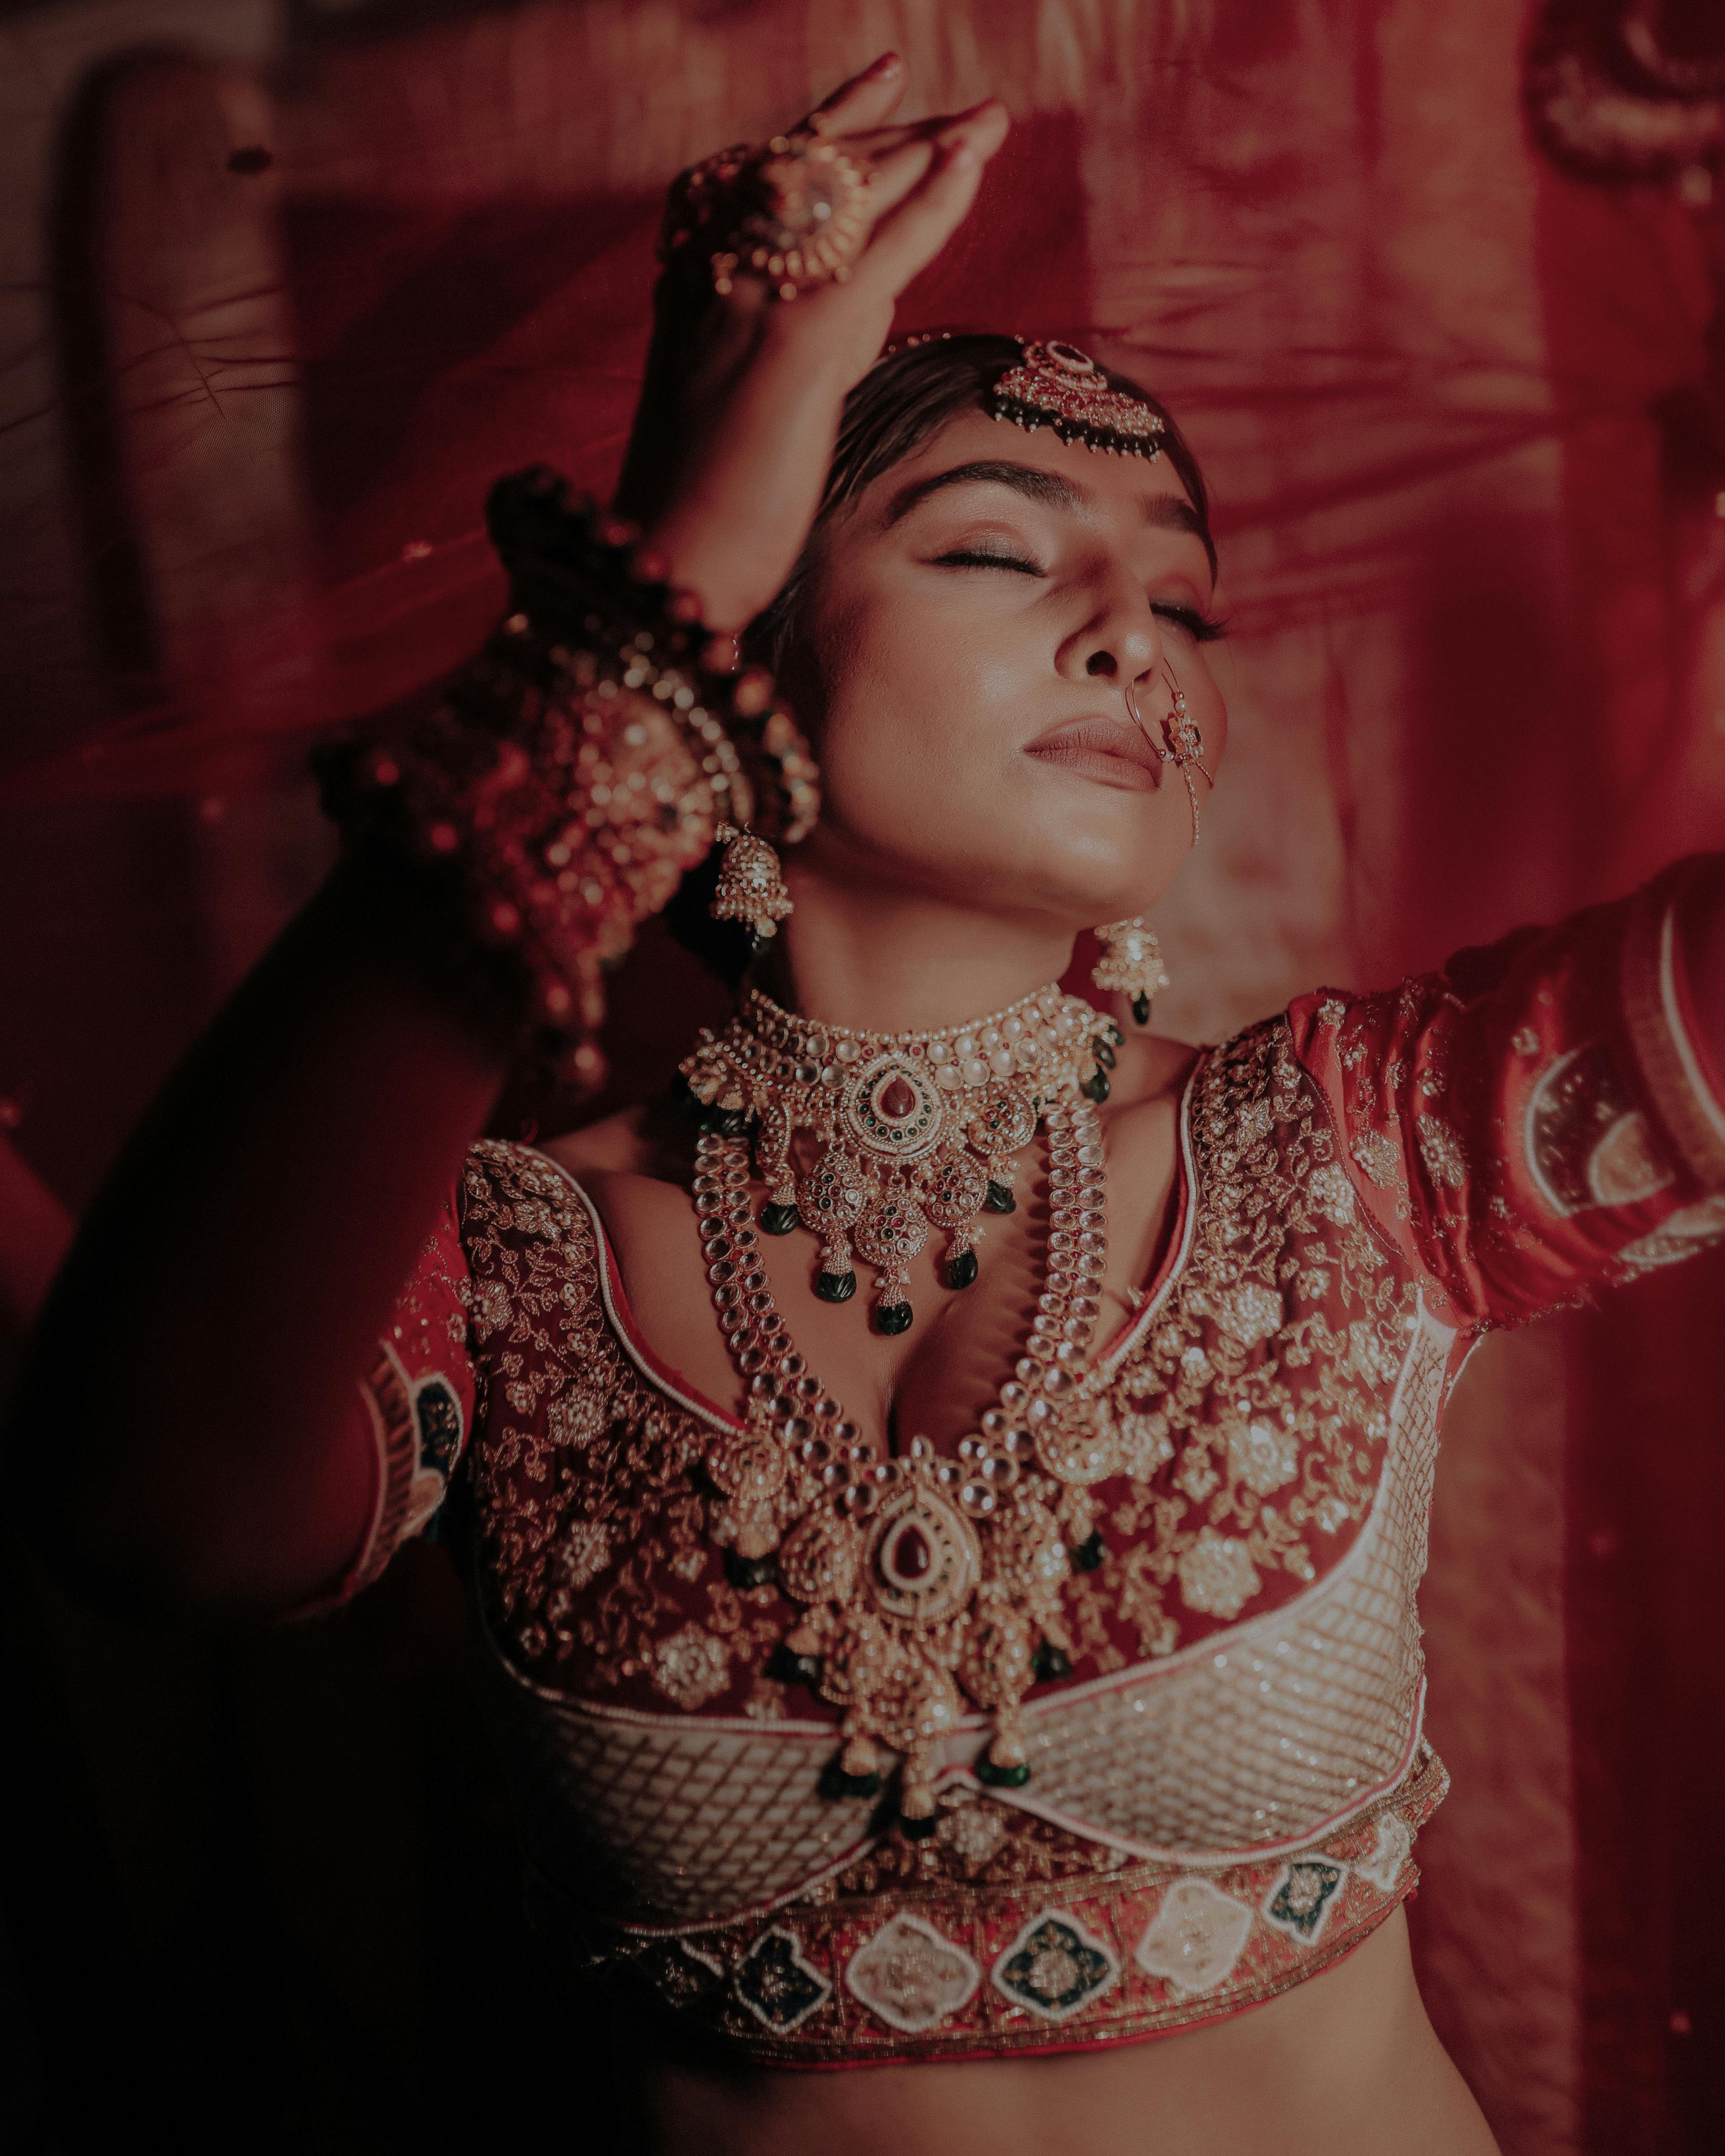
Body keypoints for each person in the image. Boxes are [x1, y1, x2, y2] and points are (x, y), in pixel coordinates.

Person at [12, 53, 1725, 2156]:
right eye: (1002, 552)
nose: (1141, 642)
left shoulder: (1362, 1160)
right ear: (740, 644)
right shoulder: (518, 1265)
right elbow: (149, 1511)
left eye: (1188, 601)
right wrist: (655, 581)